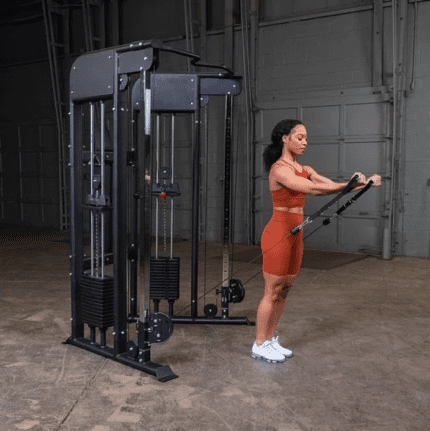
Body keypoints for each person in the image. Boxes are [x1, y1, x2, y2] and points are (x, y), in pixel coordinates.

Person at [251, 119, 382, 363]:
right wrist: (351, 184)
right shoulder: (279, 169)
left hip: (296, 233)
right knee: (271, 291)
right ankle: (259, 343)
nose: (304, 142)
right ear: (285, 139)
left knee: (284, 290)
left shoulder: (306, 168)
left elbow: (330, 186)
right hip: (278, 233)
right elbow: (313, 190)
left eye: (306, 138)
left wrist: (365, 184)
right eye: (299, 137)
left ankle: (270, 339)